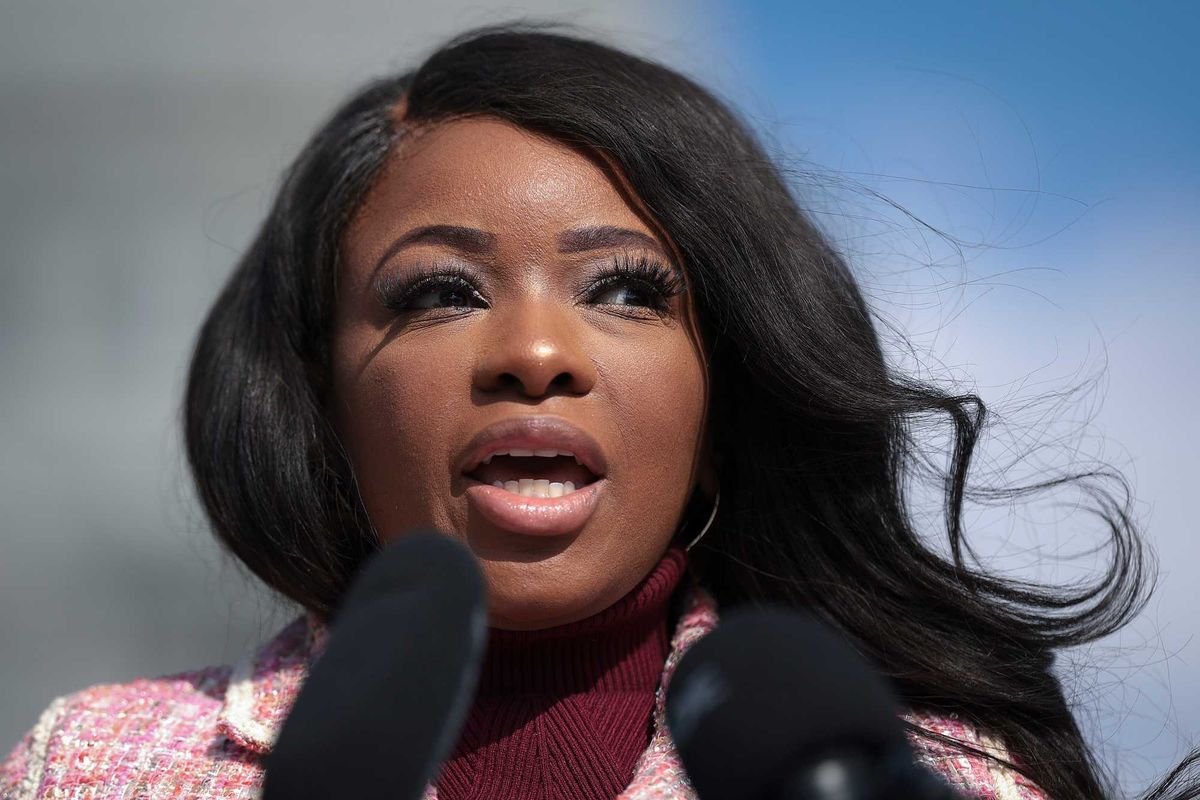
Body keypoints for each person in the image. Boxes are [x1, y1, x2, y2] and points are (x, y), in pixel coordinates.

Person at [4, 24, 1195, 800]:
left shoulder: (930, 774)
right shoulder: (97, 767)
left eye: (626, 290)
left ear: (725, 401)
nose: (535, 353)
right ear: (322, 398)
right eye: (442, 291)